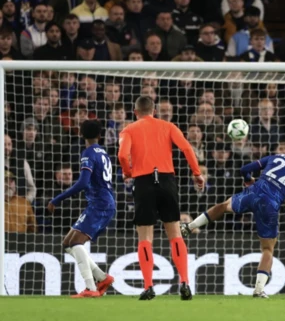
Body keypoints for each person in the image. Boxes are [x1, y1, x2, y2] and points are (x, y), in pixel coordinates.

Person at [181, 138, 285, 298]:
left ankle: (189, 227)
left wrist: (248, 180)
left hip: (254, 192)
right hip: (270, 204)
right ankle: (258, 289)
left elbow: (244, 169)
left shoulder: (276, 157)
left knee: (223, 206)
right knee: (267, 249)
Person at [117, 96, 205, 301]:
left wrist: (128, 172)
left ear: (135, 111)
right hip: (166, 180)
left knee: (145, 237)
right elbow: (186, 148)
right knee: (174, 233)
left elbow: (122, 155)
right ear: (154, 110)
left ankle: (148, 286)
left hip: (143, 182)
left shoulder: (129, 130)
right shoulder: (168, 126)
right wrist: (196, 172)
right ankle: (184, 281)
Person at [46, 120, 116, 298]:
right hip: (101, 203)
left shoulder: (88, 153)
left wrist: (57, 198)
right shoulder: (103, 152)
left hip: (100, 204)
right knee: (67, 244)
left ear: (81, 134)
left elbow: (83, 183)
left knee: (76, 243)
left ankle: (91, 288)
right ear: (99, 135)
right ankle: (102, 277)